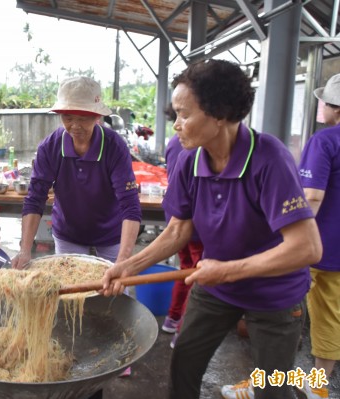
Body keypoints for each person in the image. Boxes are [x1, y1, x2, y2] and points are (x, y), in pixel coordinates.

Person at [100, 59, 322, 399]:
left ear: (220, 114)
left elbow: (307, 248)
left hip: (274, 295)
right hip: (216, 287)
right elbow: (177, 232)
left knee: (272, 388)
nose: (176, 126)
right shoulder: (190, 161)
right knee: (183, 362)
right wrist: (125, 267)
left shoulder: (269, 159)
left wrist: (229, 270)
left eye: (184, 115)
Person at [11, 76, 142, 269]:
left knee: (115, 290)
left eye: (83, 118)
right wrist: (25, 251)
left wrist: (123, 260)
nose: (75, 125)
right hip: (68, 233)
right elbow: (35, 199)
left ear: (97, 116)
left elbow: (130, 204)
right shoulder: (50, 147)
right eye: (68, 117)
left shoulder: (115, 147)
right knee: (69, 291)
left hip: (111, 233)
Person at [296, 73, 340, 399]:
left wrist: (288, 240)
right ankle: (318, 388)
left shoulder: (324, 141)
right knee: (330, 317)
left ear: (335, 108)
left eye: (324, 99)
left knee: (276, 316)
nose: (320, 104)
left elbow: (310, 195)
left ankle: (261, 387)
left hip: (312, 247)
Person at [161, 133, 203, 349]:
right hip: (193, 224)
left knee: (185, 269)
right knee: (196, 276)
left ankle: (172, 318)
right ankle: (182, 331)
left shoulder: (174, 141)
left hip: (175, 217)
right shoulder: (196, 145)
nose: (179, 123)